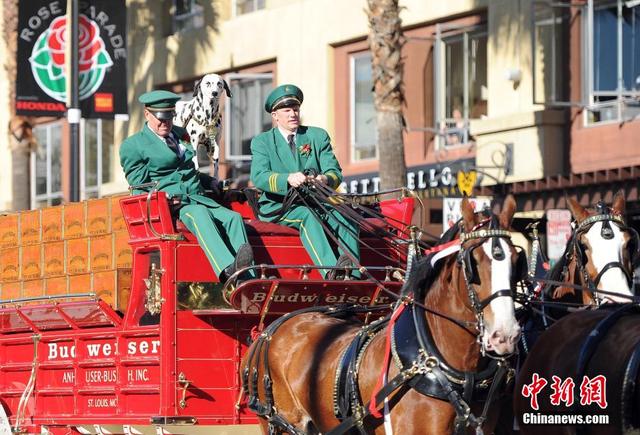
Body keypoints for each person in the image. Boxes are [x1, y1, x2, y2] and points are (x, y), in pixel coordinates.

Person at [120, 90, 253, 282]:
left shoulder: (179, 134)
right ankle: (227, 271)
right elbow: (139, 186)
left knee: (233, 218)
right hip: (173, 205)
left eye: (169, 117)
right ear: (147, 114)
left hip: (197, 196)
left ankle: (249, 277)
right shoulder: (133, 145)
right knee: (199, 214)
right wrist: (162, 199)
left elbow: (188, 170)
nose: (165, 123)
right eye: (160, 118)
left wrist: (211, 181)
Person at [250, 84, 360, 279]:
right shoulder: (262, 141)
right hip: (279, 207)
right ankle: (331, 273)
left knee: (346, 216)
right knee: (308, 216)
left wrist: (324, 178)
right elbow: (259, 176)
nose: (293, 114)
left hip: (317, 202)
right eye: (287, 110)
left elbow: (334, 172)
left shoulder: (317, 136)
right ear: (275, 116)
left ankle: (353, 275)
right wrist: (288, 179)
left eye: (296, 109)